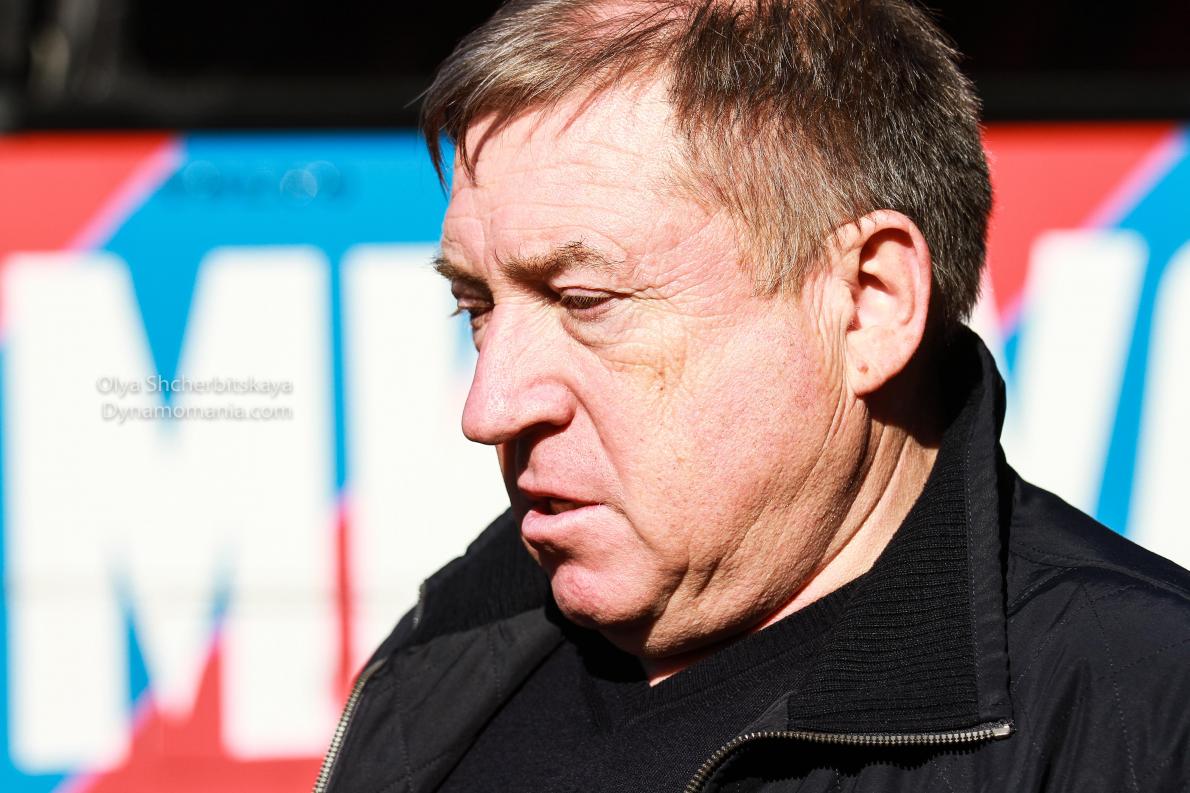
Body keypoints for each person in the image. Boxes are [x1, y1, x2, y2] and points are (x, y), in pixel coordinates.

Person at [314, 1, 1190, 791]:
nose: (488, 408)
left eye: (585, 301)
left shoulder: (1137, 716)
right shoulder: (452, 641)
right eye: (477, 306)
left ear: (867, 303)